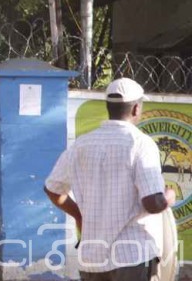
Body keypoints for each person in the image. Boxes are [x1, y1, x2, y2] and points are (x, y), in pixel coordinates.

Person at [44, 78, 174, 281]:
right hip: (132, 256)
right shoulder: (140, 144)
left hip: (92, 259)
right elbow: (152, 203)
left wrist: (79, 215)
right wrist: (169, 196)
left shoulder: (81, 145)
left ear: (108, 107)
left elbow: (52, 188)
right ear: (136, 108)